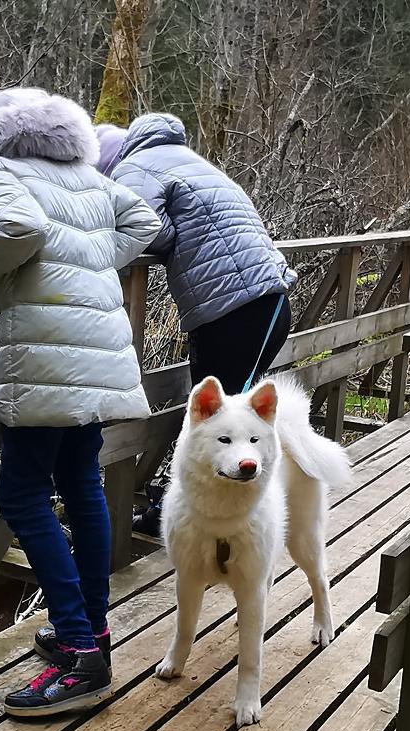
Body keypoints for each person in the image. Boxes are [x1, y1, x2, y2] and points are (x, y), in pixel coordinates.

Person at [0, 80, 162, 717]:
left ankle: (82, 654)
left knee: (21, 494)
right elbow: (145, 220)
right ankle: (92, 633)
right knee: (81, 482)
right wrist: (90, 259)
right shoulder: (76, 168)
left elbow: (21, 227)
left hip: (45, 352)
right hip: (97, 351)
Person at [97, 112, 296, 535]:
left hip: (241, 308)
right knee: (210, 419)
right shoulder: (183, 157)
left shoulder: (134, 168)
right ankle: (186, 515)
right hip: (255, 303)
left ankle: (218, 526)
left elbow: (146, 228)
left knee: (219, 424)